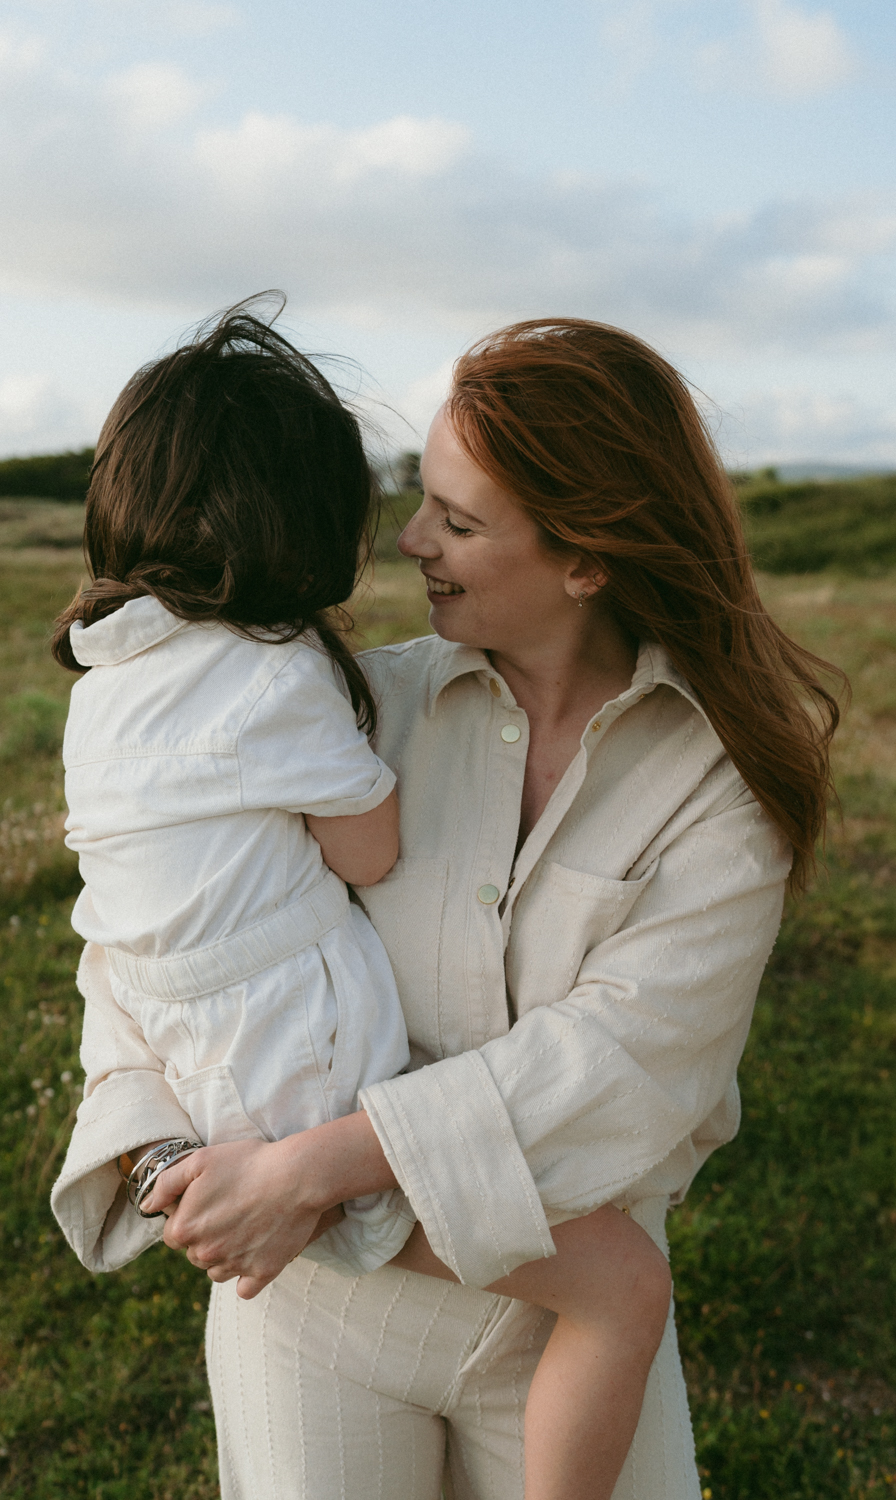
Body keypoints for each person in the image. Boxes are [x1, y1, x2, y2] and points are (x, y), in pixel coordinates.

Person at [53, 311, 839, 1500]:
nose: (410, 539)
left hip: (562, 1313)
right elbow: (145, 931)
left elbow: (620, 1062)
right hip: (311, 1303)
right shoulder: (349, 705)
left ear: (589, 560)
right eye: (419, 496)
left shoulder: (716, 788)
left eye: (459, 521)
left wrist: (310, 1167)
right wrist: (168, 1150)